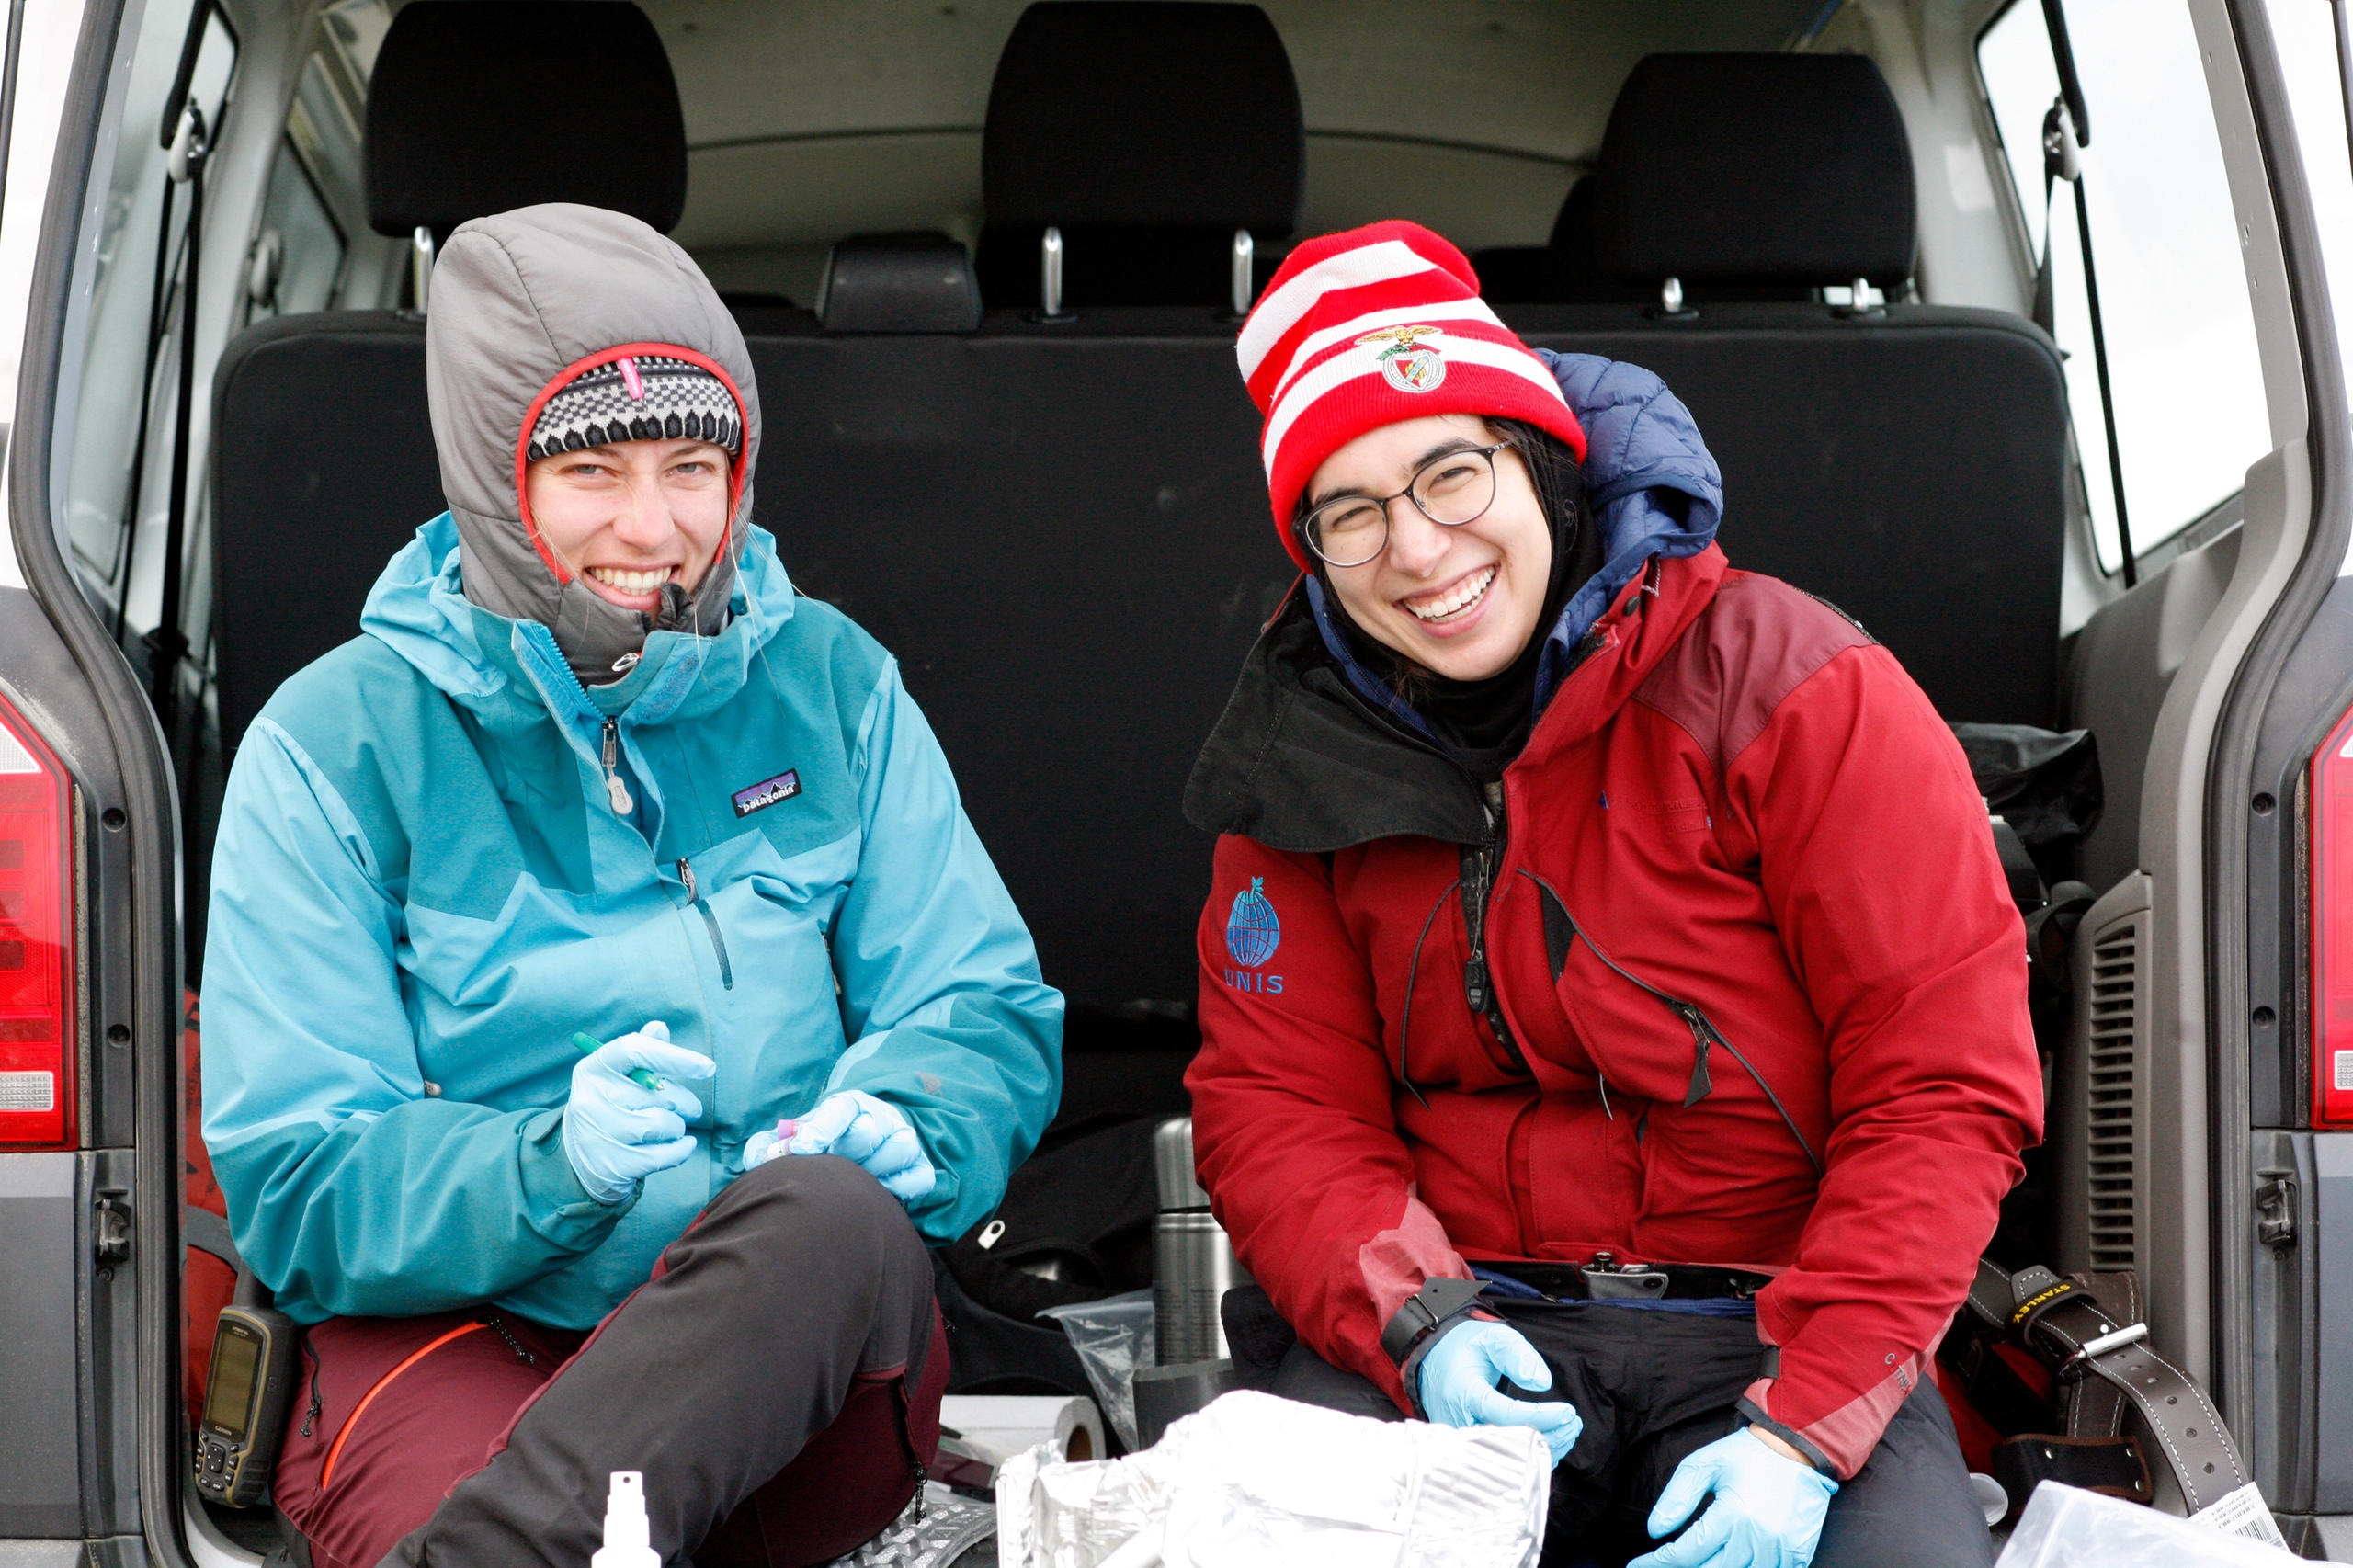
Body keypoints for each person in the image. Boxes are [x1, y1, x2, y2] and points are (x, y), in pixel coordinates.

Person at [200, 203, 1063, 1568]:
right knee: (473, 1524)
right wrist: (550, 1165)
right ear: (497, 477)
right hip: (456, 1344)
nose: (653, 525)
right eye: (592, 469)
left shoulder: (832, 682)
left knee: (835, 1219)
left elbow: (979, 1004)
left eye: (692, 462)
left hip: (789, 1347)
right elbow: (299, 1178)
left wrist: (919, 1121)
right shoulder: (333, 743)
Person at [1185, 220, 2040, 1568]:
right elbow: (1281, 1103)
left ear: (1537, 455)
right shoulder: (1298, 772)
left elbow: (1943, 1083)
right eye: (1350, 512)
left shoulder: (1798, 687)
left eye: (1449, 473)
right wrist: (1424, 1321)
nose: (1417, 548)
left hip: (1782, 1334)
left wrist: (1806, 1427)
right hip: (1465, 1334)